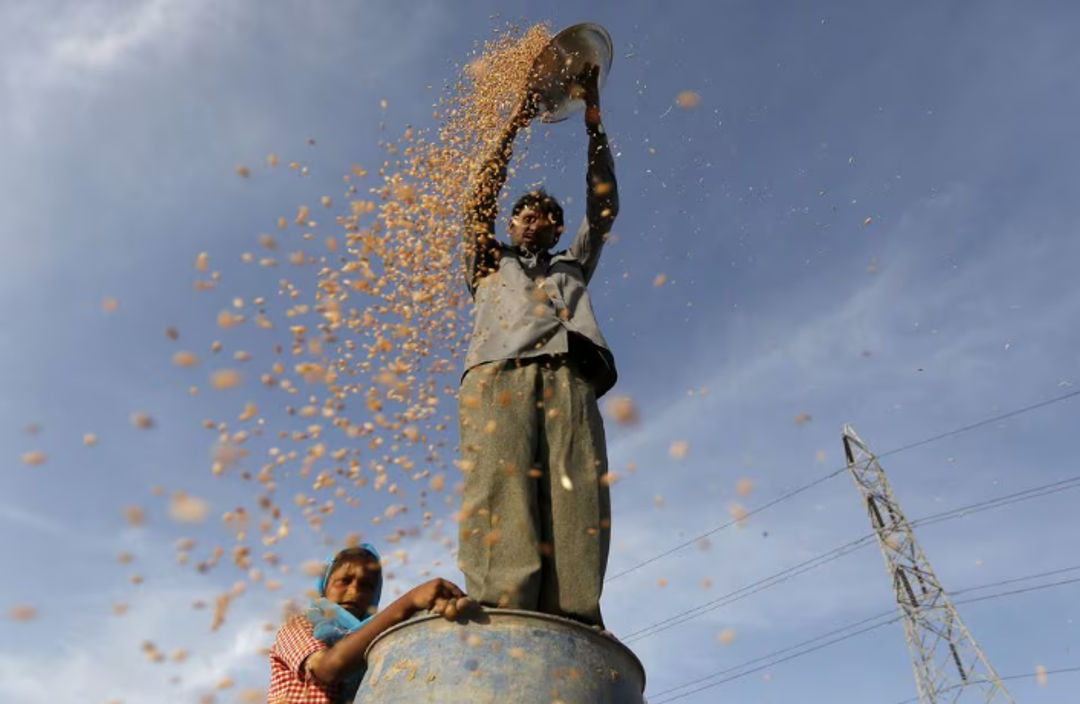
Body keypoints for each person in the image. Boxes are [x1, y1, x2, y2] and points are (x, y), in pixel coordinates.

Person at [458, 63, 619, 627]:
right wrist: (514, 124)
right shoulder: (488, 262)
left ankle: (574, 615)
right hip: (497, 373)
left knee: (575, 494)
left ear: (557, 230)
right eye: (524, 214)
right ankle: (502, 609)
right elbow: (479, 198)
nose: (534, 222)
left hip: (568, 376)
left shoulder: (573, 264)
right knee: (499, 486)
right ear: (512, 222)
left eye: (547, 217)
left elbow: (603, 209)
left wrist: (593, 123)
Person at [268, 544, 468, 703]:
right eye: (344, 581)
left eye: (366, 585)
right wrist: (409, 601)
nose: (354, 591)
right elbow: (328, 669)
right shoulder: (302, 625)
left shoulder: (381, 638)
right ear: (324, 586)